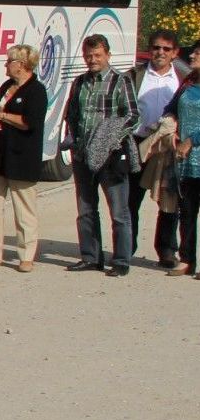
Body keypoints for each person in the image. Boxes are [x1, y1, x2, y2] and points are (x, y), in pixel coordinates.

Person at [62, 33, 139, 275]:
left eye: (97, 55)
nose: (92, 59)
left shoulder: (121, 81)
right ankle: (91, 257)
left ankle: (121, 261)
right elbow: (72, 114)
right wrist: (73, 140)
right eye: (88, 55)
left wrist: (110, 138)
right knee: (85, 209)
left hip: (111, 156)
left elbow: (133, 116)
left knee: (119, 211)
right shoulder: (80, 82)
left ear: (107, 55)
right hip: (83, 154)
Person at [0, 44, 48, 271]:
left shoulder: (36, 90)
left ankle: (26, 255)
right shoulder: (6, 86)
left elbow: (31, 122)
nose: (6, 65)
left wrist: (5, 116)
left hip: (22, 157)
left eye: (9, 61)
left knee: (24, 208)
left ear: (22, 65)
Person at [127, 29, 186, 268]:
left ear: (175, 53)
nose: (160, 52)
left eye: (166, 49)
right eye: (156, 47)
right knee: (130, 200)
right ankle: (125, 249)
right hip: (138, 144)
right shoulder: (134, 75)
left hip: (168, 149)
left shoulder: (184, 77)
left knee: (169, 202)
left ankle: (167, 251)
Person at [170, 43, 200, 277]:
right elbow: (171, 108)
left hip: (193, 149)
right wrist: (170, 125)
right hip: (186, 160)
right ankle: (187, 258)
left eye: (198, 53)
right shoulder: (188, 82)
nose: (191, 55)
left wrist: (191, 140)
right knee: (187, 211)